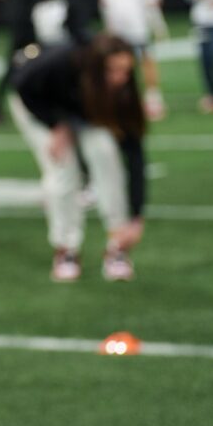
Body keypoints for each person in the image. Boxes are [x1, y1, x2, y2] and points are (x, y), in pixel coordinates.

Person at [9, 34, 147, 282]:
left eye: (125, 71)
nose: (120, 78)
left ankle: (118, 246)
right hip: (39, 104)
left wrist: (136, 216)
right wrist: (55, 124)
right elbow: (23, 86)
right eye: (112, 70)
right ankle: (66, 249)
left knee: (105, 153)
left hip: (82, 106)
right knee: (63, 167)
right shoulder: (61, 62)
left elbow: (134, 152)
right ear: (95, 68)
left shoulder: (122, 89)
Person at [99, 0, 168, 121]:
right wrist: (160, 28)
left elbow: (104, 1)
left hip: (116, 28)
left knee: (115, 65)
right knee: (146, 61)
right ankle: (153, 101)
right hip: (137, 27)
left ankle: (116, 102)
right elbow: (153, 4)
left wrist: (109, 26)